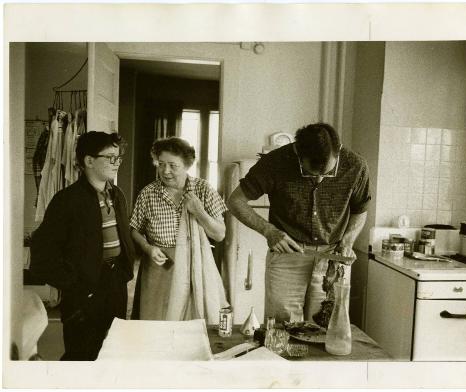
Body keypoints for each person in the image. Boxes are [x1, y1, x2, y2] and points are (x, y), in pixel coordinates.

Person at [227, 122, 371, 323]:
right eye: (311, 172)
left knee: (326, 324)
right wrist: (269, 231)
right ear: (297, 152)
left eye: (327, 173)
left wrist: (347, 241)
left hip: (332, 257)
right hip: (287, 256)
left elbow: (360, 210)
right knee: (282, 328)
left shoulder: (356, 166)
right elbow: (235, 201)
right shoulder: (274, 163)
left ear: (338, 152)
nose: (320, 179)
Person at [30, 131, 135, 360]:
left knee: (113, 350)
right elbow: (41, 255)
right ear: (88, 161)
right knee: (82, 354)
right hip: (84, 290)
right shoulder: (66, 201)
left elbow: (122, 236)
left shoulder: (117, 195)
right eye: (109, 157)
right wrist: (74, 283)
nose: (116, 163)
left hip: (115, 283)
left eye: (118, 158)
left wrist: (124, 273)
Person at [130, 137, 228, 323]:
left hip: (194, 265)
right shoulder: (148, 193)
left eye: (172, 166)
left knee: (192, 323)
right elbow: (134, 230)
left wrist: (199, 212)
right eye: (161, 164)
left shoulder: (204, 189)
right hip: (159, 267)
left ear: (187, 165)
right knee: (156, 323)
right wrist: (148, 248)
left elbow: (220, 234)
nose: (165, 171)